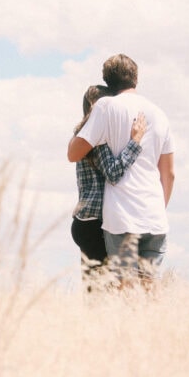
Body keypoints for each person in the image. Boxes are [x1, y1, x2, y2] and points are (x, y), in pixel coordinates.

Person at [68, 54, 175, 289]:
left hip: (121, 217)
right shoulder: (159, 113)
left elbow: (74, 154)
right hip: (154, 215)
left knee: (120, 290)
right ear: (136, 77)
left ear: (108, 80)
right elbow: (169, 174)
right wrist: (158, 206)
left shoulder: (106, 108)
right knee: (150, 286)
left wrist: (133, 142)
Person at [71, 84, 147, 292]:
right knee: (106, 292)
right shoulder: (97, 138)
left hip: (84, 221)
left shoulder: (82, 135)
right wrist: (135, 142)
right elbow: (113, 172)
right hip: (96, 223)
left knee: (94, 290)